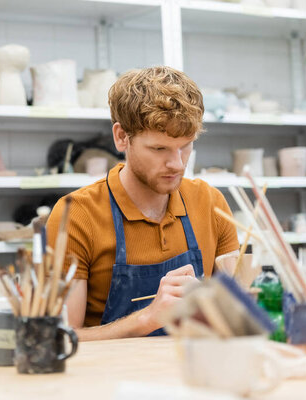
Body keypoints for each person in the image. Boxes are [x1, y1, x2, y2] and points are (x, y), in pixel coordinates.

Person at [46, 66, 239, 341]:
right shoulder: (76, 215)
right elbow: (61, 339)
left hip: (194, 374)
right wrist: (147, 318)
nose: (177, 163)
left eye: (186, 145)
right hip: (108, 379)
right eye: (159, 149)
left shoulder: (210, 203)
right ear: (122, 137)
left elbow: (238, 319)